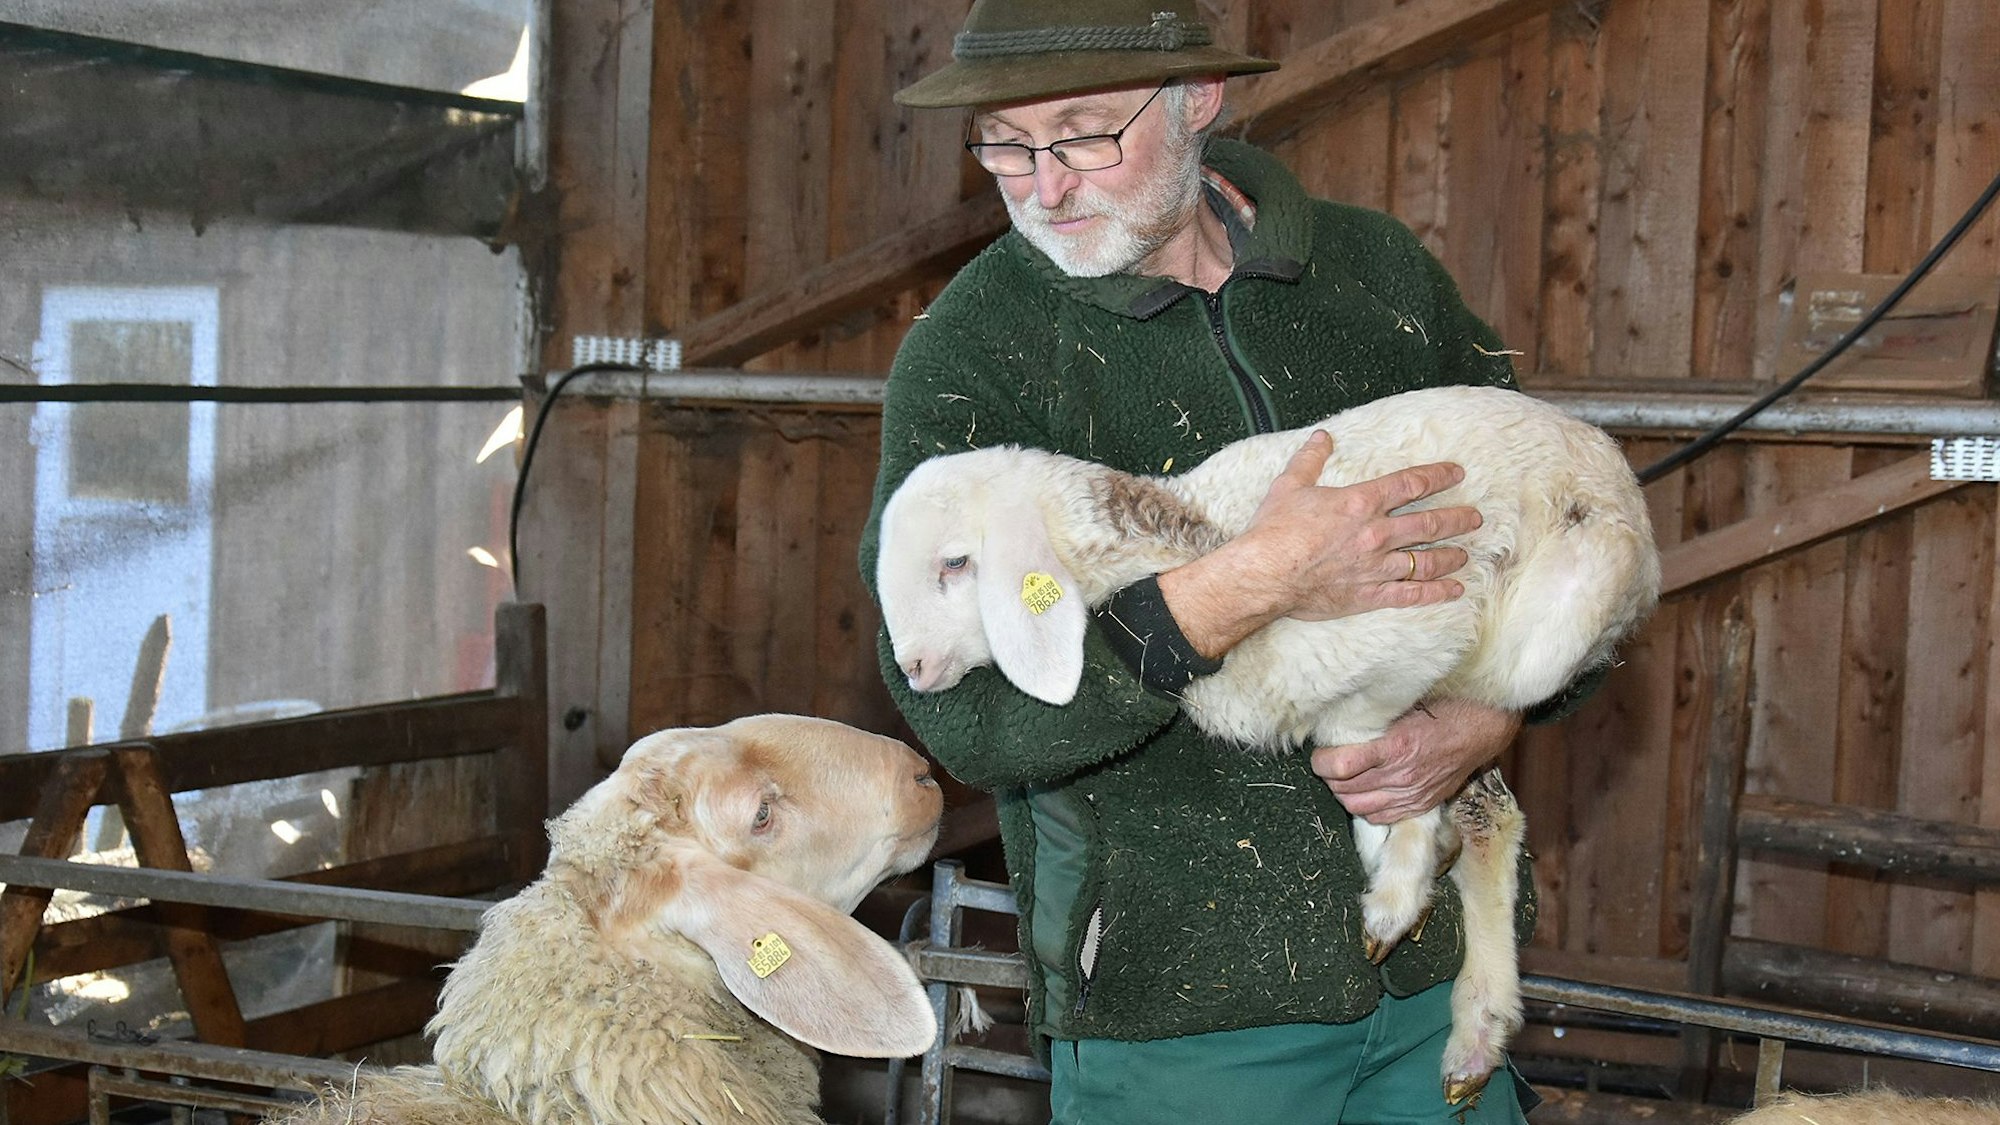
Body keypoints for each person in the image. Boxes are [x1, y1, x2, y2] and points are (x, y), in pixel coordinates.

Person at [860, 2, 1592, 1120]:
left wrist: (1499, 713)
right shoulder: (974, 356)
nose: (1044, 185)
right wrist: (1253, 582)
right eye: (1006, 145)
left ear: (1196, 99)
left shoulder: (1375, 279)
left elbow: (1557, 520)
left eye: (1084, 133)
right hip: (1181, 1016)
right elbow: (966, 723)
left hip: (1433, 982)